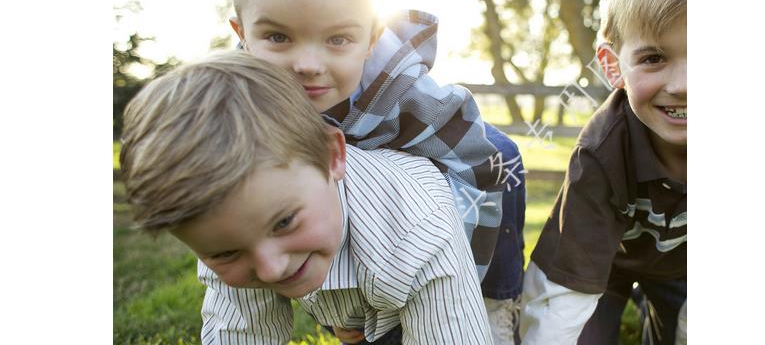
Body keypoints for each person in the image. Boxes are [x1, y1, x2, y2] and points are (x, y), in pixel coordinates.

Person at [227, 0, 526, 342]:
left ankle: (495, 301)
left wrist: (457, 278)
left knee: (503, 156)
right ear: (242, 34)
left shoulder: (406, 94)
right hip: (337, 235)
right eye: (278, 37)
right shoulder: (232, 104)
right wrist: (343, 309)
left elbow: (474, 168)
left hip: (422, 223)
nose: (309, 64)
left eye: (337, 39)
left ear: (371, 38)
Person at [119, 51, 493, 344]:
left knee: (485, 300)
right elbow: (239, 334)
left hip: (463, 223)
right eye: (224, 254)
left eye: (284, 222)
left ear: (332, 157)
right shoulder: (232, 228)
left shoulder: (420, 226)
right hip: (367, 280)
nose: (269, 269)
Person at [519, 0, 687, 344]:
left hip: (683, 267)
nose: (682, 86)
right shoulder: (602, 151)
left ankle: (656, 310)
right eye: (653, 58)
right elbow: (562, 294)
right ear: (614, 66)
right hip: (602, 265)